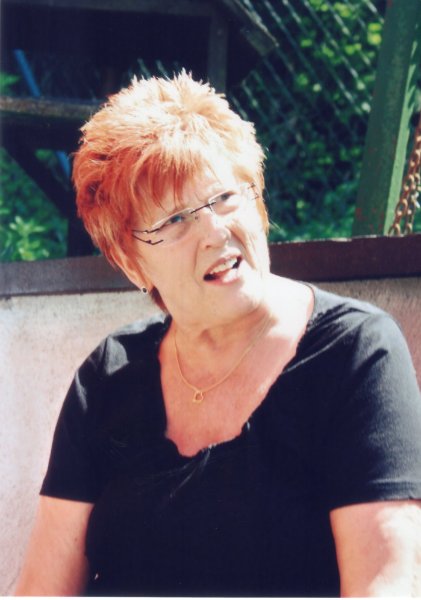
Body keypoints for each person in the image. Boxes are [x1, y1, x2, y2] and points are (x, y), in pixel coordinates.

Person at [15, 72, 421, 597]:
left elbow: (387, 585)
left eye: (226, 197)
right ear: (132, 264)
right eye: (175, 220)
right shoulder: (108, 374)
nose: (213, 232)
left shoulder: (355, 353)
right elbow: (42, 589)